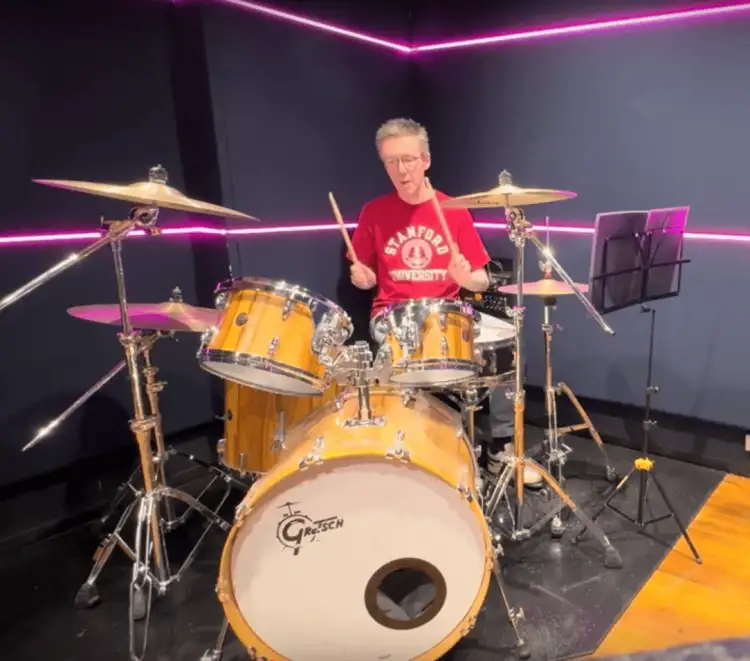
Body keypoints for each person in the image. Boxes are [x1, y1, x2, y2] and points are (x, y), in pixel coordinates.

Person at [348, 118, 539, 485]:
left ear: (426, 160)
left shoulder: (453, 209)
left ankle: (501, 447)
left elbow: (481, 278)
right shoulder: (374, 212)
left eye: (408, 159)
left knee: (509, 343)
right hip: (393, 317)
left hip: (446, 317)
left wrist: (466, 278)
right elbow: (365, 272)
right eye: (391, 162)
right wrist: (364, 278)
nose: (401, 170)